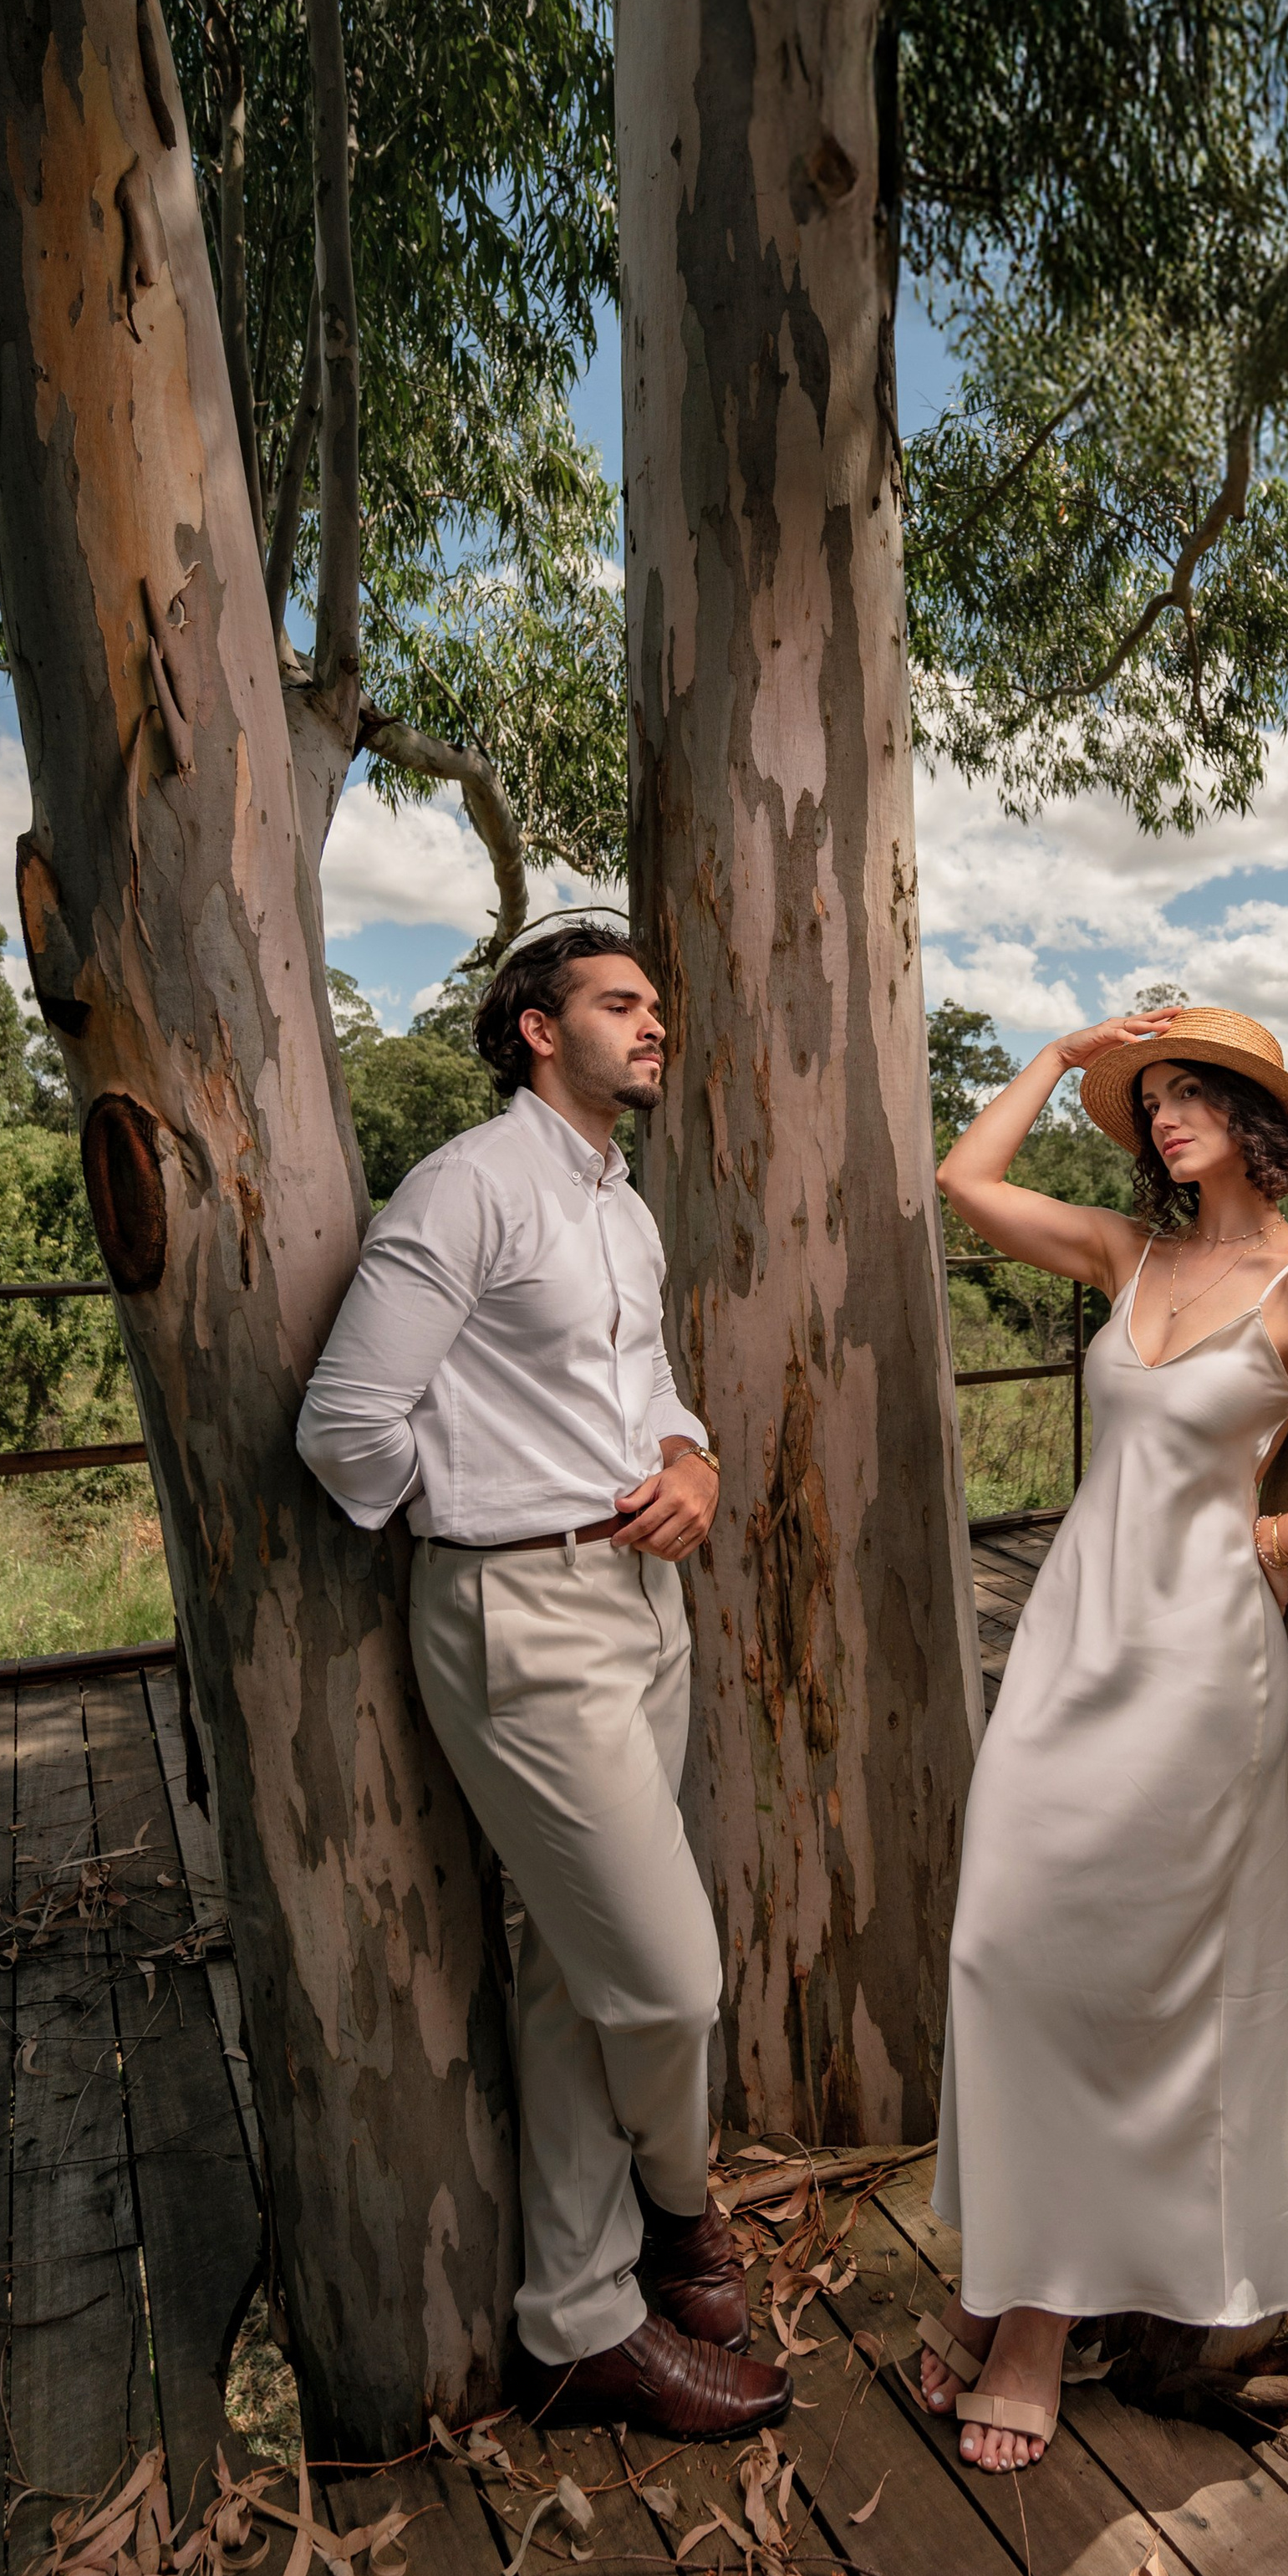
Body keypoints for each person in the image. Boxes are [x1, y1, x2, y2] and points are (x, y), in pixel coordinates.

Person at [922, 1002, 1288, 2472]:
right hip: (1067, 1648)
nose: (1165, 1120)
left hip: (1195, 1671)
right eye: (1153, 1099)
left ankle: (1035, 2319)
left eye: (1193, 1098)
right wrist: (1056, 1060)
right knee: (1001, 1950)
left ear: (1258, 1122)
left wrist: (1278, 1530)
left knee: (1121, 1979)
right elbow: (964, 1185)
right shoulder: (1130, 1254)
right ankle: (1014, 2272)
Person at [296, 921, 791, 2441]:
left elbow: (638, 1382)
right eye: (621, 1003)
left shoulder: (619, 1206)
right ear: (534, 1027)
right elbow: (347, 1426)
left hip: (647, 1599)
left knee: (577, 1974)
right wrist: (486, 1514)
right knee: (671, 1976)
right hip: (523, 1611)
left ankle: (580, 2324)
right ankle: (685, 2215)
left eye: (657, 1003)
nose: (654, 1026)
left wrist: (692, 1453)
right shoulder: (467, 1187)